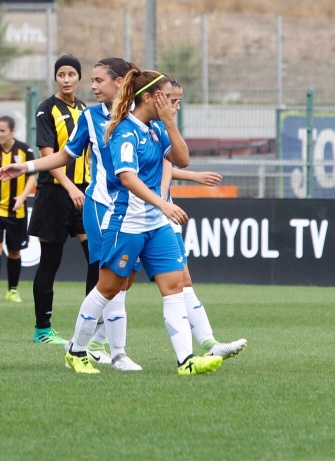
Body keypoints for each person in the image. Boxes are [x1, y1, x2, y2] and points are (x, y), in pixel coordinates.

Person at [61, 69, 223, 375]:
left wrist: (170, 123)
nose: (171, 104)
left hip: (156, 224)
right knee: (108, 289)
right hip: (127, 223)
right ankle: (76, 349)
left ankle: (186, 361)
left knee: (174, 286)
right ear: (148, 97)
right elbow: (127, 177)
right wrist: (163, 203)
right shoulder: (124, 131)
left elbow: (183, 160)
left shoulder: (158, 128)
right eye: (166, 97)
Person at [0, 58, 143, 371]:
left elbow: (170, 158)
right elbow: (61, 155)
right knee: (89, 270)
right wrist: (27, 167)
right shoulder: (74, 114)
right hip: (79, 199)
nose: (88, 85)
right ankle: (76, 341)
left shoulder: (136, 115)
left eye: (82, 76)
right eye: (62, 74)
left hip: (124, 206)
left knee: (120, 276)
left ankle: (88, 343)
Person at [161, 76, 247, 359]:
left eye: (179, 101)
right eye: (174, 101)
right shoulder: (141, 127)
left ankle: (210, 344)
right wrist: (162, 200)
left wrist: (193, 176)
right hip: (139, 216)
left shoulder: (162, 128)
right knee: (114, 286)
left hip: (163, 214)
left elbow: (166, 166)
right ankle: (87, 344)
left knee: (183, 279)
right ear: (158, 97)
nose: (177, 107)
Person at [28, 55, 95, 346]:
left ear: (79, 77)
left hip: (84, 191)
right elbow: (48, 156)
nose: (66, 79)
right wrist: (69, 187)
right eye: (61, 74)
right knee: (50, 262)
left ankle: (90, 326)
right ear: (56, 78)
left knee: (96, 258)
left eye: (71, 74)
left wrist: (87, 187)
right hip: (55, 192)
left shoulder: (85, 109)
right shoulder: (46, 108)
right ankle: (43, 329)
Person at [0, 115, 36, 304]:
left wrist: (22, 197)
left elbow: (33, 175)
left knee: (15, 251)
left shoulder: (24, 150)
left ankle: (12, 291)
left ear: (12, 131)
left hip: (17, 210)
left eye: (2, 131)